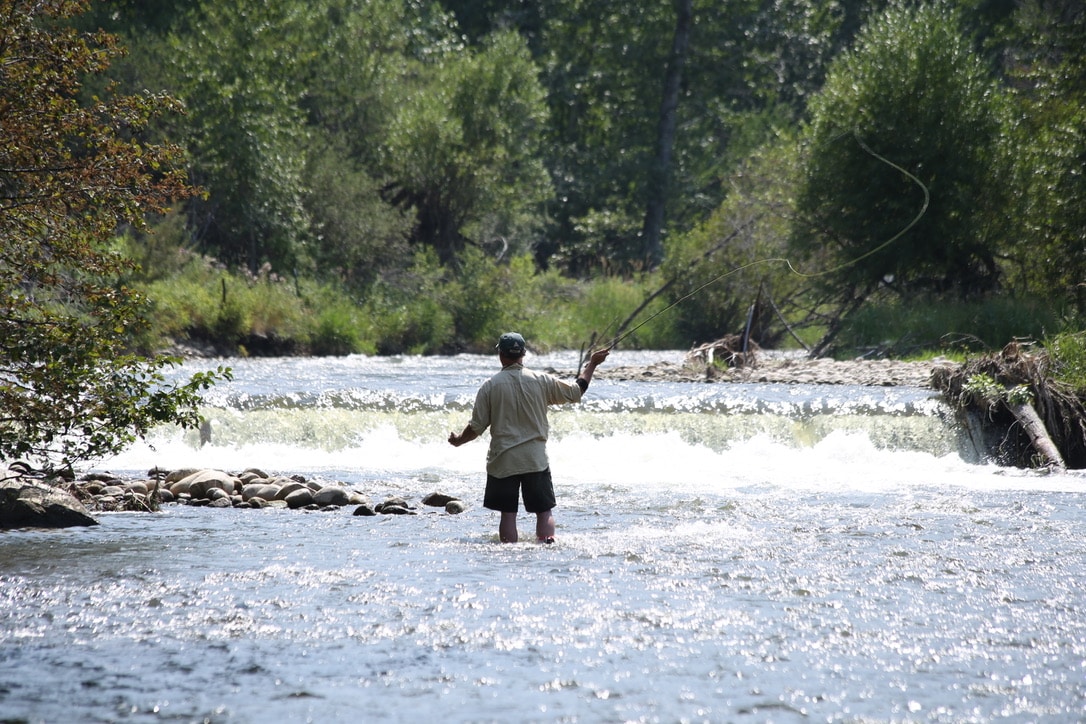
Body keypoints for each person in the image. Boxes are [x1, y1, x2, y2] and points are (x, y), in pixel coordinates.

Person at [448, 332, 610, 543]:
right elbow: (576, 392)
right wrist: (592, 365)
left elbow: (476, 427)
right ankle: (546, 543)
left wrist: (459, 440)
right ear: (523, 354)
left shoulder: (490, 386)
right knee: (544, 511)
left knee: (508, 513)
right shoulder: (541, 380)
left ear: (500, 354)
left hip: (503, 460)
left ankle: (510, 549)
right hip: (535, 459)